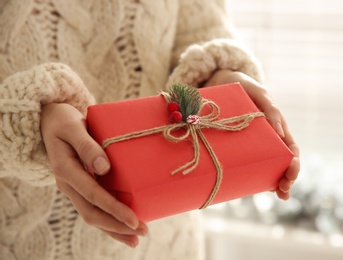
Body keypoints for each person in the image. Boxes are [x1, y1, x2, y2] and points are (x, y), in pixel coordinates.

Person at [0, 0, 300, 259]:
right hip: (21, 243)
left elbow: (201, 31)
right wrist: (25, 122)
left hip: (167, 244)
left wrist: (219, 75)